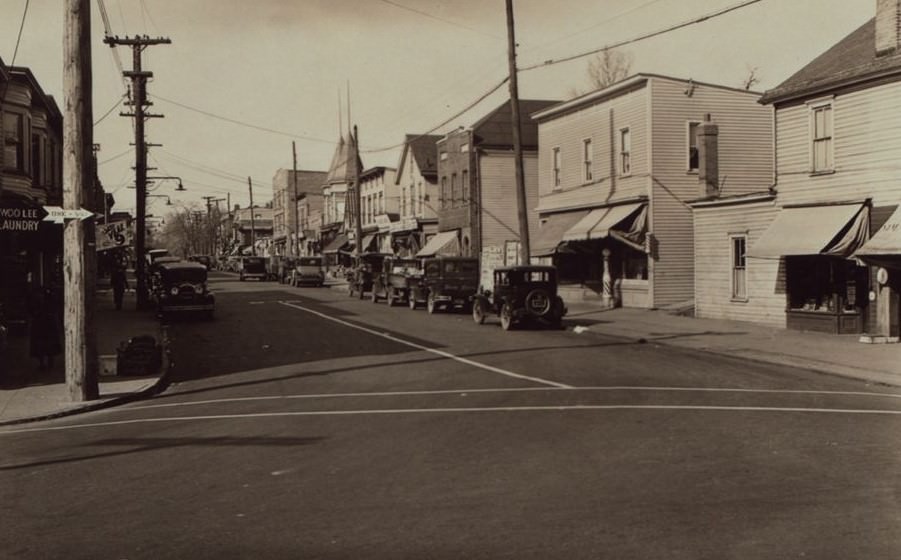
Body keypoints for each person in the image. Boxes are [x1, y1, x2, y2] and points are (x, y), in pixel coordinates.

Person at [29, 287, 61, 371]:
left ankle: (46, 362)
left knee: (46, 342)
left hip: (44, 321)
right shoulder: (38, 296)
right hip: (43, 321)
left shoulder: (48, 296)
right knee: (43, 343)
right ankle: (44, 362)